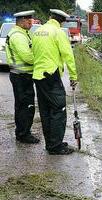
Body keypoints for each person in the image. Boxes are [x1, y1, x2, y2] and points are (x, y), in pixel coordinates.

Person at [32, 9, 78, 155]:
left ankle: (51, 143)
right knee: (58, 110)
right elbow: (68, 55)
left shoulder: (38, 31)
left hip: (38, 76)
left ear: (50, 17)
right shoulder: (58, 32)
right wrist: (73, 76)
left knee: (45, 111)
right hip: (51, 76)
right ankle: (56, 146)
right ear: (62, 21)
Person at [5, 10, 40, 144]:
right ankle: (24, 134)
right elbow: (28, 57)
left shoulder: (22, 33)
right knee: (25, 106)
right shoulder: (18, 36)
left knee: (22, 105)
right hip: (21, 76)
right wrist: (41, 60)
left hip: (22, 76)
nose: (32, 23)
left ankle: (22, 132)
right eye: (30, 21)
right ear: (23, 21)